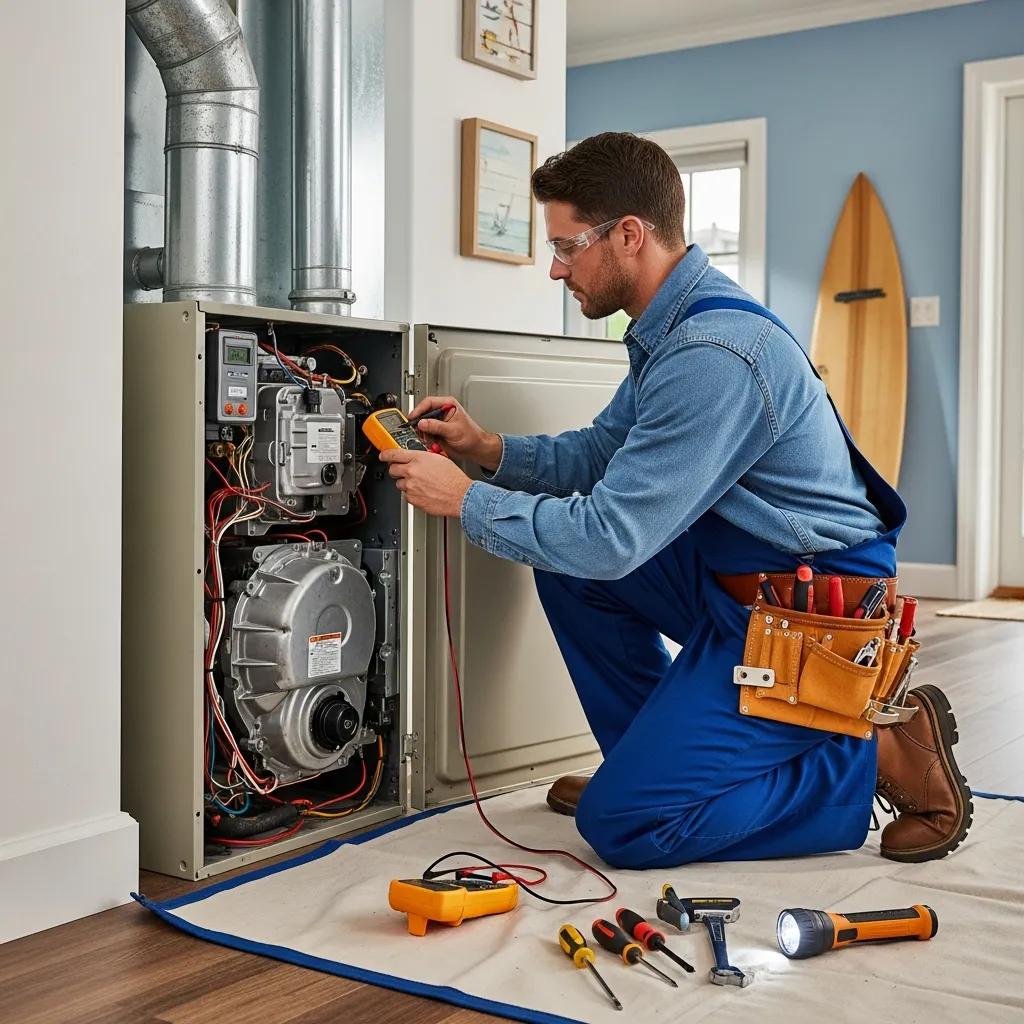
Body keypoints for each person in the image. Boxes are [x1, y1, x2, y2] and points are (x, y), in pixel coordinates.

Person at [379, 132, 972, 868]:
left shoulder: (712, 354)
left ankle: (870, 753)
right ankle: (647, 769)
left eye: (565, 247)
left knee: (626, 827)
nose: (557, 269)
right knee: (569, 570)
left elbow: (610, 538)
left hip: (809, 618)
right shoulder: (674, 325)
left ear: (629, 235)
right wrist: (489, 449)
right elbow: (603, 455)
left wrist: (466, 501)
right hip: (741, 587)